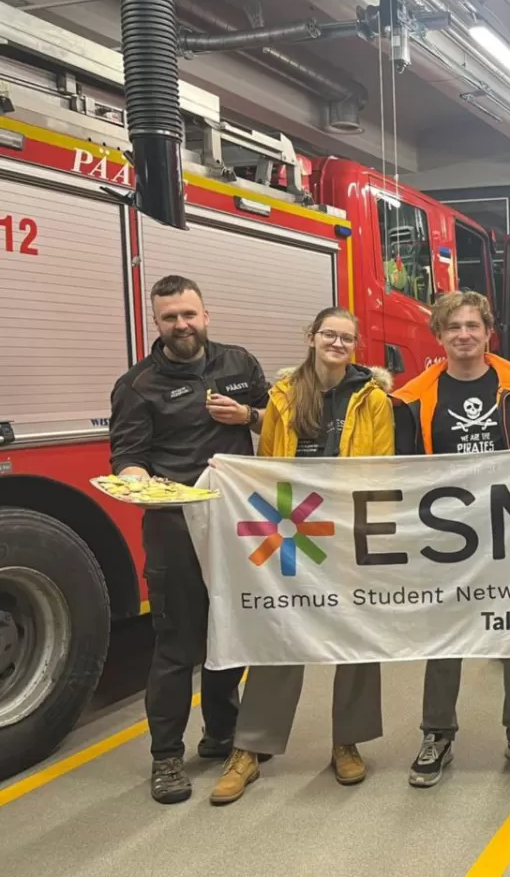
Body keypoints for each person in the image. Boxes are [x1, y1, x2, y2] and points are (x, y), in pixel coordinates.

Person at [392, 290, 510, 787]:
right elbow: (399, 465)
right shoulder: (413, 398)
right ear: (439, 335)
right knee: (444, 634)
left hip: (509, 530)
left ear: (488, 332)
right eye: (453, 327)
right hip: (445, 538)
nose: (464, 335)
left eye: (472, 326)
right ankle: (437, 732)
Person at [209, 307, 395, 805]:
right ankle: (248, 750)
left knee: (354, 638)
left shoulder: (373, 399)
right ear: (311, 337)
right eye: (329, 335)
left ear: (356, 346)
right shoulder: (285, 395)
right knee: (280, 635)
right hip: (294, 528)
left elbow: (380, 469)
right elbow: (270, 464)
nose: (338, 343)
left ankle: (346, 743)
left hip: (348, 530)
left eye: (347, 338)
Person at [109, 274, 269, 804]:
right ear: (156, 323)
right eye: (170, 317)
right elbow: (127, 454)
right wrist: (135, 480)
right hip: (175, 523)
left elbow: (281, 423)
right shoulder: (137, 385)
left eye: (189, 314)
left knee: (232, 630)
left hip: (236, 522)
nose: (182, 325)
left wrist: (249, 415)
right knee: (177, 645)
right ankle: (166, 759)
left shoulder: (239, 363)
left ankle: (222, 733)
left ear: (206, 314)